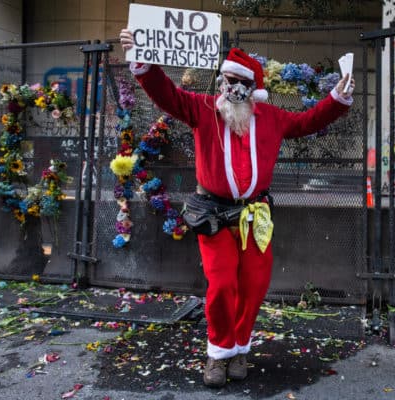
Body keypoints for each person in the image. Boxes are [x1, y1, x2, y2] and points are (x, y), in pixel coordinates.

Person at [119, 28, 355, 388]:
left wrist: (337, 97)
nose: (233, 87)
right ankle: (218, 353)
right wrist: (143, 60)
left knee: (255, 284)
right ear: (220, 81)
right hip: (212, 213)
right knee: (223, 283)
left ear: (253, 88)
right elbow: (166, 95)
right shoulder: (201, 109)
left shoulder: (272, 118)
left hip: (254, 215)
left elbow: (309, 122)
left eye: (240, 81)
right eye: (227, 79)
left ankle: (240, 347)